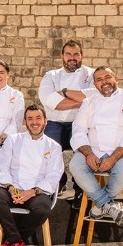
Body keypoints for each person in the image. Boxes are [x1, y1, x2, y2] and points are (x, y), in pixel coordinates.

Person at [70, 66, 123, 223]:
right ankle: (108, 204)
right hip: (95, 151)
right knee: (75, 166)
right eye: (99, 79)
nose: (104, 82)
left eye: (107, 77)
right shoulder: (89, 102)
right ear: (94, 84)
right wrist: (88, 153)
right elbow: (78, 130)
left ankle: (100, 204)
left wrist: (112, 158)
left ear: (116, 78)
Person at [0, 104, 62, 246]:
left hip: (37, 192)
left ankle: (14, 241)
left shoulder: (54, 147)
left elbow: (53, 176)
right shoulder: (13, 140)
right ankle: (17, 242)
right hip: (12, 187)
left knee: (43, 208)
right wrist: (10, 188)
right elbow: (2, 166)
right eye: (30, 119)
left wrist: (32, 192)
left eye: (38, 118)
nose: (34, 122)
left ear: (45, 121)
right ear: (25, 122)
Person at [38, 39, 93, 199]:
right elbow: (50, 102)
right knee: (48, 151)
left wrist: (64, 92)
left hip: (80, 123)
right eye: (68, 54)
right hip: (54, 123)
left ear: (82, 56)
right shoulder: (51, 76)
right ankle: (57, 183)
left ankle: (80, 188)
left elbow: (93, 97)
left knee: (83, 151)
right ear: (62, 56)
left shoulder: (91, 74)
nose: (72, 57)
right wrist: (80, 100)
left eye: (76, 54)